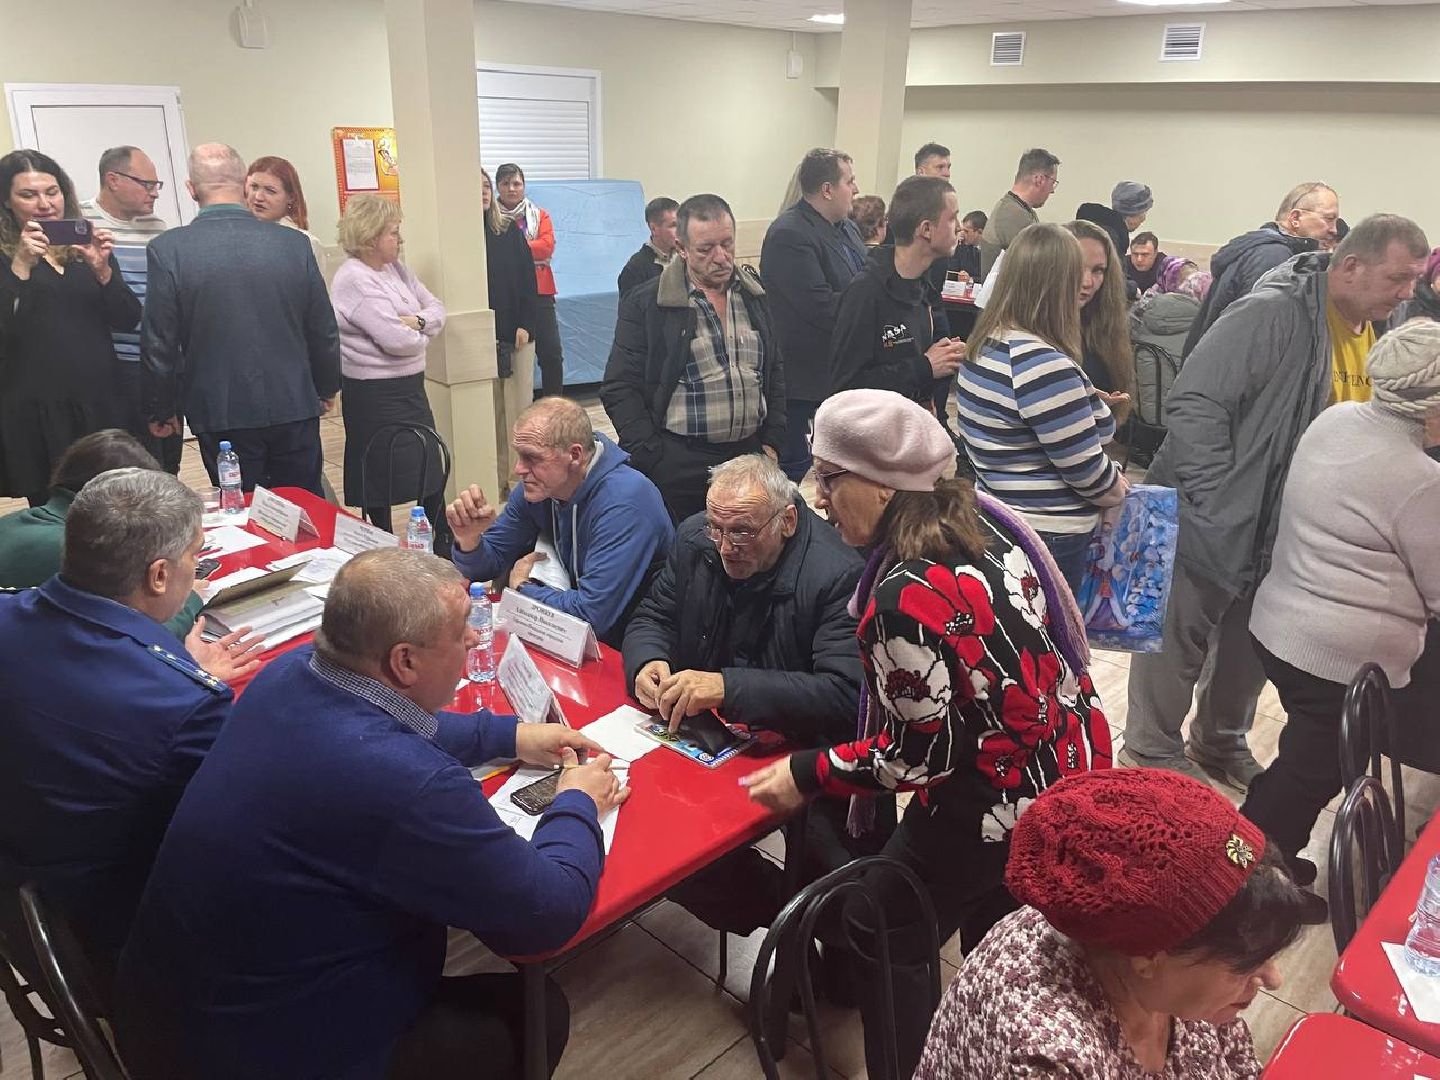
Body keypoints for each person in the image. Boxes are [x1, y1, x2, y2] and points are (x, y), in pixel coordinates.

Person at [113, 548, 628, 1080]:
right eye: (461, 631)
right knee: (536, 1010)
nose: (477, 638)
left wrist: (508, 735)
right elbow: (545, 918)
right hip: (250, 1056)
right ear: (405, 661)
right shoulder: (410, 784)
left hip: (167, 1013)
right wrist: (577, 801)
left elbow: (381, 722)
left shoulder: (291, 674)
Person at [741, 389, 1109, 1079]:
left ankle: (914, 1068)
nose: (818, 497)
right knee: (999, 926)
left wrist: (806, 771)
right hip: (1064, 763)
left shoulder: (899, 598)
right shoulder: (987, 524)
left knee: (882, 925)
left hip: (999, 799)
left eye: (829, 477)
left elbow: (918, 757)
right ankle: (989, 1040)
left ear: (881, 487)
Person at [1123, 214, 1429, 791]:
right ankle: (1150, 751)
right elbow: (1194, 403)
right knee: (1179, 635)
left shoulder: (1377, 324)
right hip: (1217, 509)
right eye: (1398, 278)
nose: (1409, 291)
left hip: (1284, 524)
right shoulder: (1275, 312)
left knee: (1248, 643)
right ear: (1351, 266)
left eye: (1414, 278)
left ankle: (1219, 741)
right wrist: (1215, 499)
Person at [0, 469, 261, 988]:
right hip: (123, 947)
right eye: (195, 556)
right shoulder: (183, 705)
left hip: (24, 914)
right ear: (159, 575)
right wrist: (183, 678)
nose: (197, 569)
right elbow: (237, 840)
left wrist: (173, 671)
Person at [916, 768, 1318, 1079]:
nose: (1274, 979)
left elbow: (1234, 1060)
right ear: (1147, 958)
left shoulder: (1143, 932)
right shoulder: (1049, 1056)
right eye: (1246, 965)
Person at [623, 452, 872, 933]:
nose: (724, 546)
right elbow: (653, 614)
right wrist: (646, 661)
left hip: (808, 748)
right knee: (663, 835)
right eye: (717, 528)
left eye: (741, 532)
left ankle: (817, 936)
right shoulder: (697, 538)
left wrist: (726, 687)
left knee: (845, 896)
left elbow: (848, 696)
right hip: (716, 738)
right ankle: (770, 916)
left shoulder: (838, 573)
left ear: (787, 521)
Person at [1241, 321, 1440, 883]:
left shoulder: (1338, 418)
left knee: (1306, 752)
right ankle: (1250, 883)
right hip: (1339, 660)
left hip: (1281, 625)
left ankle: (1255, 855)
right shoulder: (1420, 479)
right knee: (1312, 770)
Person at [143, 143, 341, 496]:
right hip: (293, 402)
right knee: (304, 506)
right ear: (243, 183)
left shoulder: (168, 250)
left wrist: (163, 409)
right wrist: (326, 386)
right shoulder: (293, 245)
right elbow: (322, 329)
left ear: (191, 189)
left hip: (219, 410)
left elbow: (160, 342)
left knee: (242, 510)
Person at [957, 223, 1128, 592]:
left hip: (999, 515)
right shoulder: (1043, 364)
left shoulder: (988, 343)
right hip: (1050, 535)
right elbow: (1088, 474)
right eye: (1076, 273)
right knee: (1052, 642)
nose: (1086, 284)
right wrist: (1118, 488)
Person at [601, 192, 786, 523]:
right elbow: (619, 386)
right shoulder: (649, 304)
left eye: (727, 244)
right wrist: (652, 455)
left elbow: (774, 370)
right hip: (679, 466)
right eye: (705, 249)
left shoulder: (755, 296)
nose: (720, 257)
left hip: (748, 458)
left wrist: (771, 442)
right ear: (681, 249)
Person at [447, 396, 673, 648]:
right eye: (519, 455)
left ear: (574, 454)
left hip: (634, 645)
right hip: (573, 633)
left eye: (531, 458)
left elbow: (592, 617)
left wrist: (523, 587)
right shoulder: (536, 491)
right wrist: (469, 540)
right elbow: (485, 567)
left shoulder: (626, 502)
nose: (518, 470)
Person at [0, 149, 140, 506]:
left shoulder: (82, 248)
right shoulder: (6, 257)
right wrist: (21, 264)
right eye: (28, 195)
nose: (44, 204)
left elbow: (127, 317)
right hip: (41, 411)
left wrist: (103, 271)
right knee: (57, 511)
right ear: (7, 202)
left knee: (116, 503)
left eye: (52, 191)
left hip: (100, 400)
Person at [0, 427, 204, 634]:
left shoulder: (12, 522)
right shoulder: (81, 546)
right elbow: (129, 637)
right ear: (117, 499)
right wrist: (190, 600)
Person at [331, 194, 447, 532]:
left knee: (430, 468)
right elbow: (397, 342)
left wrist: (416, 322)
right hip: (374, 395)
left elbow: (437, 309)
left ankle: (438, 539)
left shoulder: (396, 270)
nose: (400, 239)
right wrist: (415, 330)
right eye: (393, 232)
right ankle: (381, 543)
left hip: (409, 390)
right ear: (370, 235)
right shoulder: (354, 277)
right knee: (378, 481)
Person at [761, 148, 866, 482]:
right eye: (850, 181)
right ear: (827, 189)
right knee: (793, 471)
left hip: (842, 372)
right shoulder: (789, 234)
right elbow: (820, 306)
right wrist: (872, 311)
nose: (857, 189)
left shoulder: (847, 228)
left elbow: (867, 279)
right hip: (803, 382)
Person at [80, 145, 180, 471]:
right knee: (123, 463)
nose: (154, 193)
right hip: (110, 366)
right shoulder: (80, 225)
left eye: (156, 185)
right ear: (113, 180)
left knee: (165, 460)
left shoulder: (157, 227)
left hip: (158, 361)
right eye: (146, 184)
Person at [830, 175, 965, 409]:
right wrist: (925, 367)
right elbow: (846, 387)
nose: (960, 227)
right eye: (953, 218)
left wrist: (948, 357)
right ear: (926, 229)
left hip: (917, 427)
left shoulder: (924, 287)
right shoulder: (866, 292)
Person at [1183, 182, 1340, 357]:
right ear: (1295, 218)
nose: (1334, 230)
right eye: (1329, 219)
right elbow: (1257, 336)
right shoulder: (1273, 256)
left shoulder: (1267, 251)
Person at [494, 163, 565, 396]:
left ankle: (554, 407)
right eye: (505, 184)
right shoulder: (489, 218)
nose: (512, 188)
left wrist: (511, 249)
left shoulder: (539, 214)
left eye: (516, 183)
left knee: (551, 354)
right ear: (498, 187)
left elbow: (546, 248)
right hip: (505, 294)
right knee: (511, 353)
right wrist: (524, 249)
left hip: (541, 291)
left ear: (524, 186)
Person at [1064, 219, 1137, 415]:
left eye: (1098, 270)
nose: (1087, 282)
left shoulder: (1103, 327)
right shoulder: (1029, 338)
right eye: (1077, 267)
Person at [481, 168, 540, 380]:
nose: (484, 192)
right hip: (480, 333)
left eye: (486, 186)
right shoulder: (459, 237)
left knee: (517, 405)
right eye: (477, 189)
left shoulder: (508, 230)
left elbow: (528, 281)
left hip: (514, 331)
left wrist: (525, 324)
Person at [978, 147, 1060, 276]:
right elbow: (1041, 269)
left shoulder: (1018, 210)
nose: (1052, 190)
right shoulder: (1013, 215)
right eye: (1053, 182)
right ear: (1039, 179)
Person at [245, 154, 327, 270]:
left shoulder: (306, 243)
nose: (258, 197)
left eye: (270, 191)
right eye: (254, 187)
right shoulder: (239, 236)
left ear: (291, 197)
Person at [1075, 180, 1153, 275]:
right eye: (1144, 212)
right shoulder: (1110, 239)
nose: (1143, 219)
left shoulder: (1091, 229)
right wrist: (1133, 288)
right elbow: (1112, 280)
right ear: (1134, 213)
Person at [617, 196, 678, 297]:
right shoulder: (635, 270)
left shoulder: (687, 258)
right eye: (673, 225)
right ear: (654, 229)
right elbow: (629, 310)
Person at [1126, 230, 1166, 295]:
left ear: (1155, 253)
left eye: (1145, 254)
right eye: (1135, 254)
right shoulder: (1122, 264)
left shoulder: (1166, 267)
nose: (1139, 259)